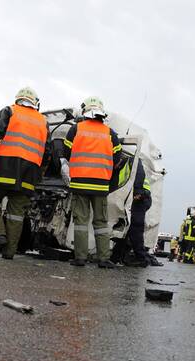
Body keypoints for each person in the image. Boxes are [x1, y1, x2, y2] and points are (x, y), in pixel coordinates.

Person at [0, 87, 50, 258]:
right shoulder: (43, 121)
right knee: (16, 212)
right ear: (35, 102)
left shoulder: (9, 111)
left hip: (5, 167)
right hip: (29, 173)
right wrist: (41, 173)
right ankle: (9, 252)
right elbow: (47, 153)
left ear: (18, 99)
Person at [61, 96, 122, 268]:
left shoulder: (75, 129)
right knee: (101, 222)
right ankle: (103, 259)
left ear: (85, 111)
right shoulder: (110, 133)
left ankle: (80, 258)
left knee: (80, 221)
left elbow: (66, 152)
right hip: (101, 184)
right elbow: (117, 159)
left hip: (80, 183)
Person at [125, 159, 152, 267]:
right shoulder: (132, 161)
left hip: (141, 198)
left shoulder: (134, 161)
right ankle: (117, 256)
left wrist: (138, 193)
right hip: (141, 198)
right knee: (130, 228)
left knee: (135, 229)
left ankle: (141, 259)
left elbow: (139, 175)